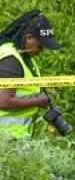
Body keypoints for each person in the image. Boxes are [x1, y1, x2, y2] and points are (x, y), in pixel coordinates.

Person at [0, 10, 62, 138]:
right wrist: (39, 100)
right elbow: (3, 101)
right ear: (29, 38)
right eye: (40, 45)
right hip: (4, 139)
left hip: (13, 138)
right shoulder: (11, 60)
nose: (42, 50)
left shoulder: (24, 57)